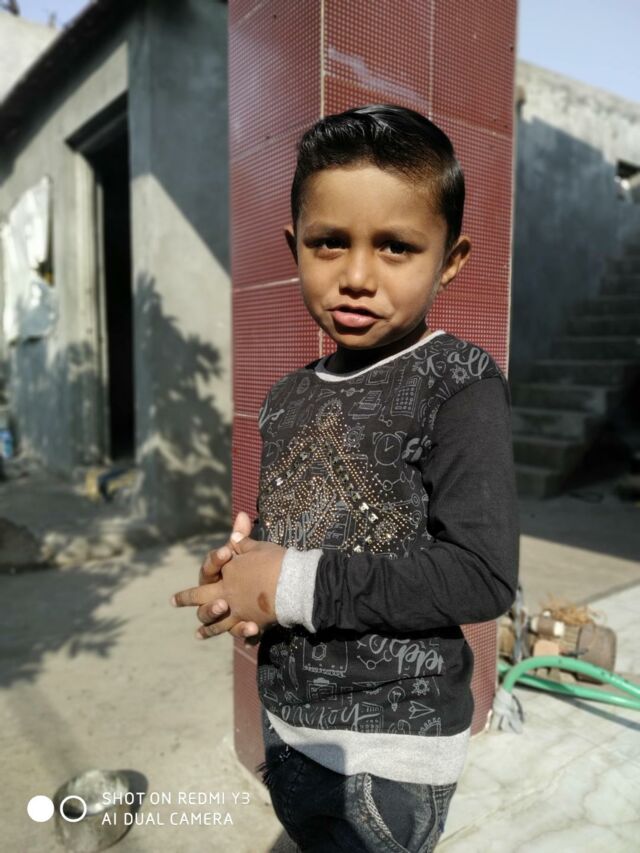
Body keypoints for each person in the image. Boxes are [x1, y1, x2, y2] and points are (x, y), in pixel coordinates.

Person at [172, 104, 520, 852]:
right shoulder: (286, 397)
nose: (357, 277)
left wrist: (291, 582)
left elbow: (483, 574)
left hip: (388, 758)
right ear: (294, 246)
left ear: (450, 260)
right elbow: (291, 547)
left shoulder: (457, 382)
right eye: (330, 242)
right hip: (290, 730)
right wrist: (245, 581)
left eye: (396, 246)